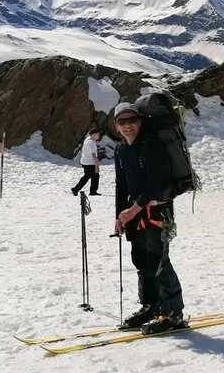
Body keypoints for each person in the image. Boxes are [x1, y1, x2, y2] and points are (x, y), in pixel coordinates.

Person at [112, 102, 186, 334]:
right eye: (122, 122)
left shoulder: (153, 145)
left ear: (140, 122)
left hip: (157, 212)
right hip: (136, 213)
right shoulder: (120, 150)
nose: (128, 126)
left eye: (132, 120)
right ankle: (150, 307)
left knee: (159, 261)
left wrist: (132, 211)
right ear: (116, 126)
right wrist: (119, 217)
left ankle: (173, 313)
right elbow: (121, 185)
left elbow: (154, 184)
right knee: (141, 261)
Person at [71, 128, 103, 196]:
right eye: (97, 134)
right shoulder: (90, 142)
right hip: (89, 162)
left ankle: (91, 191)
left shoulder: (89, 139)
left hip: (86, 161)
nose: (99, 135)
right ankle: (77, 189)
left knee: (91, 176)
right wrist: (97, 166)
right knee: (92, 175)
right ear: (93, 134)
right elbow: (93, 155)